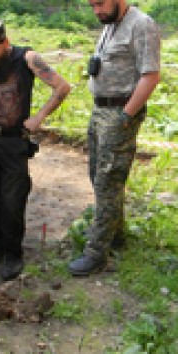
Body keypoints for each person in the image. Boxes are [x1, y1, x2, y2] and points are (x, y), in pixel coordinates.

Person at [0, 21, 70, 280]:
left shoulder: (28, 59)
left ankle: (14, 254)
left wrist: (38, 118)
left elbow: (62, 87)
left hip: (13, 143)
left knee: (12, 201)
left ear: (5, 43)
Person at [68, 0, 160, 276]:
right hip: (101, 110)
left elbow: (151, 76)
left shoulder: (141, 25)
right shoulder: (110, 23)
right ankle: (116, 235)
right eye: (92, 5)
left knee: (108, 179)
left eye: (100, 3)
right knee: (98, 175)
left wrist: (126, 117)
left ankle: (96, 254)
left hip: (119, 112)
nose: (97, 10)